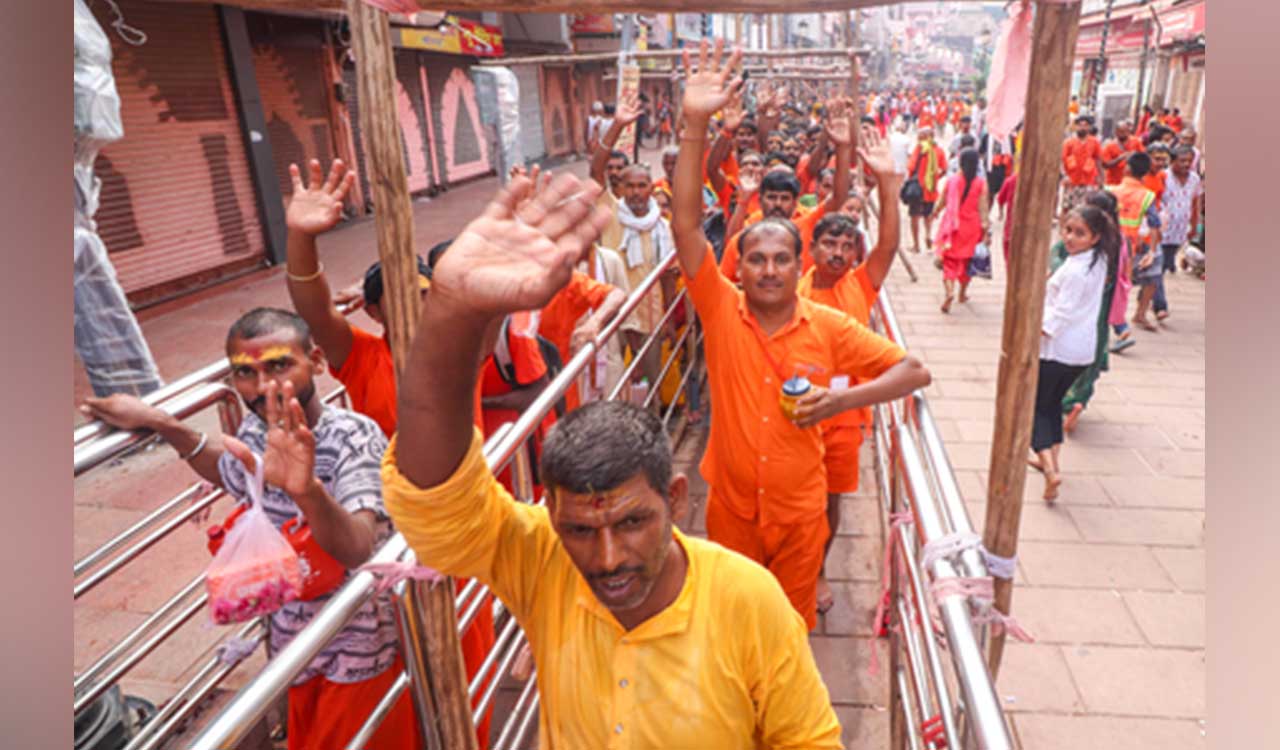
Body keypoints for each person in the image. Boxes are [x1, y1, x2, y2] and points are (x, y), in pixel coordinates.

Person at [381, 163, 845, 746]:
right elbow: (437, 508)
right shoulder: (542, 560)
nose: (606, 559)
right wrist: (451, 310)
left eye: (630, 522)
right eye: (577, 529)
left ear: (675, 500)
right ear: (550, 514)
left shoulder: (749, 602)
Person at [673, 41, 931, 630]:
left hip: (799, 514)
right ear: (737, 265)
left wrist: (842, 401)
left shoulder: (831, 323)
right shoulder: (719, 308)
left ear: (799, 265)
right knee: (732, 627)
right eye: (755, 259)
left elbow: (913, 370)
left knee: (790, 634)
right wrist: (694, 125)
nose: (767, 269)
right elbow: (686, 225)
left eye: (780, 259)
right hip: (732, 512)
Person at [81, 309, 418, 750]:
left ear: (315, 362)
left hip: (355, 649)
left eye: (279, 366)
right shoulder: (257, 432)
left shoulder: (354, 436)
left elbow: (359, 547)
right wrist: (161, 423)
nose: (262, 388)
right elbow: (231, 470)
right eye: (245, 373)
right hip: (291, 646)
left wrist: (307, 491)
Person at [280, 160, 497, 732]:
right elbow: (313, 310)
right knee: (404, 679)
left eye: (425, 294)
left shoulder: (458, 349)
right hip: (393, 540)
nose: (419, 307)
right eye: (402, 298)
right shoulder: (362, 357)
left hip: (459, 531)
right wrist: (302, 239)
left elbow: (486, 305)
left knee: (471, 675)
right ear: (373, 311)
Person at [796, 129, 903, 615]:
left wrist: (889, 185)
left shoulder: (862, 285)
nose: (838, 253)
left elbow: (888, 244)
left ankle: (817, 569)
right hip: (793, 409)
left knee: (831, 500)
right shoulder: (789, 292)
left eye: (846, 246)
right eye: (829, 244)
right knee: (795, 495)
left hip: (843, 418)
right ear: (812, 248)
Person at [1029, 206, 1117, 500]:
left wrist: (1030, 333)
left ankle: (1051, 471)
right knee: (1052, 405)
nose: (1069, 238)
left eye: (1079, 233)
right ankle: (1051, 461)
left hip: (1059, 349)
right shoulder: (1097, 260)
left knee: (1037, 409)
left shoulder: (1079, 270)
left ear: (1095, 237)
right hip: (1080, 351)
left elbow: (1061, 315)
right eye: (1068, 230)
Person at [718, 97, 854, 282]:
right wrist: (743, 200)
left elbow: (839, 197)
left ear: (795, 201)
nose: (777, 204)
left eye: (784, 198)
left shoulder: (806, 223)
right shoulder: (752, 225)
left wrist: (843, 147)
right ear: (761, 199)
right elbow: (732, 243)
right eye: (772, 197)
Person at [1047, 192, 1126, 433]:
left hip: (1075, 305)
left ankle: (1065, 406)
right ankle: (1077, 399)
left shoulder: (1077, 248)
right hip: (1099, 307)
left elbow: (1058, 261)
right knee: (1091, 352)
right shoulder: (1114, 243)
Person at [1109, 152, 1163, 332]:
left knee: (1111, 282)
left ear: (1127, 168)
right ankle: (1130, 318)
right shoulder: (1147, 196)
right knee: (1137, 280)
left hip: (1108, 243)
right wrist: (1152, 252)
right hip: (1131, 246)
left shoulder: (1111, 191)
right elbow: (1155, 224)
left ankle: (1116, 323)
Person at [1151, 145, 1204, 322]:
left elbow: (1195, 202)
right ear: (1172, 161)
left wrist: (1194, 225)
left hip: (1180, 230)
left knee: (1165, 265)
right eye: (1182, 161)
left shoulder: (1194, 179)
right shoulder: (1163, 176)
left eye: (1189, 161)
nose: (1186, 164)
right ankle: (1160, 305)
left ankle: (1148, 295)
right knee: (1158, 267)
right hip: (1161, 229)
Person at [933, 148, 989, 313]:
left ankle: (949, 291)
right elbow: (983, 208)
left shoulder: (952, 181)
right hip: (972, 228)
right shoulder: (981, 183)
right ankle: (962, 293)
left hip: (953, 228)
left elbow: (942, 200)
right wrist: (985, 227)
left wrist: (935, 211)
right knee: (967, 263)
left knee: (950, 262)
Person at [905, 125, 947, 253]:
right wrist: (935, 179)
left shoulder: (919, 150)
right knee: (928, 215)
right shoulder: (938, 150)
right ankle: (928, 234)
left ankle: (916, 245)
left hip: (917, 189)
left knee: (914, 216)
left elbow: (911, 167)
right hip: (931, 190)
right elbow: (944, 169)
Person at [1061, 115, 1104, 216]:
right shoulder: (1068, 143)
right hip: (1071, 181)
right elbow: (1062, 160)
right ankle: (1063, 229)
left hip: (1088, 181)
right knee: (1067, 208)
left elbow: (1098, 160)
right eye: (1080, 125)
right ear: (1076, 127)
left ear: (1089, 127)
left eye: (1085, 125)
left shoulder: (1095, 142)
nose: (1082, 128)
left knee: (1086, 208)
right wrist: (1064, 176)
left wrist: (1101, 178)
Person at [1101, 119, 1144, 187]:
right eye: (1121, 131)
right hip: (1113, 183)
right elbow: (1105, 165)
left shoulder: (1136, 142)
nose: (1124, 133)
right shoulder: (1109, 146)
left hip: (1131, 182)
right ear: (1116, 132)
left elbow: (1143, 158)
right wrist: (1120, 158)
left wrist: (1134, 155)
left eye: (1126, 131)